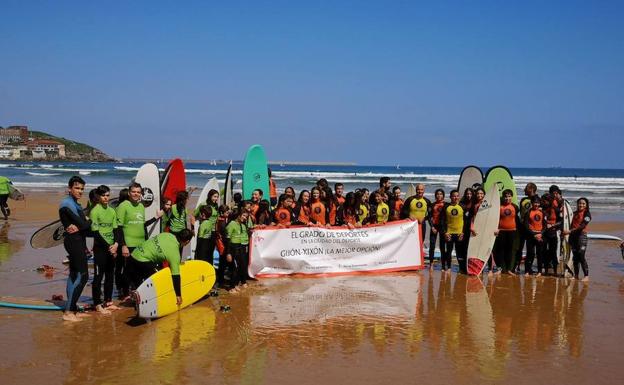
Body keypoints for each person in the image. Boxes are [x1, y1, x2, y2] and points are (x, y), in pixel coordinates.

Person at [128, 230, 193, 306]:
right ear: (187, 241)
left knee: (141, 281)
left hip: (133, 255)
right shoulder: (175, 254)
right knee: (158, 280)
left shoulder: (166, 234)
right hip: (142, 261)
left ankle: (136, 296)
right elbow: (176, 276)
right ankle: (147, 303)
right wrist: (178, 295)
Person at [59, 176, 91, 322]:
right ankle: (69, 312)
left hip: (78, 241)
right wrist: (86, 222)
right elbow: (85, 225)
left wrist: (83, 224)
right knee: (83, 275)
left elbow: (82, 226)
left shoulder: (76, 204)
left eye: (82, 189)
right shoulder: (66, 204)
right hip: (73, 241)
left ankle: (72, 308)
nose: (80, 191)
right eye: (77, 188)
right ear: (70, 188)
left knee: (73, 274)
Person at [89, 185, 120, 314]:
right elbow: (96, 234)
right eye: (103, 196)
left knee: (109, 276)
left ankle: (108, 301)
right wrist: (109, 247)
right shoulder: (95, 211)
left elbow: (116, 229)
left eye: (107, 195)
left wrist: (116, 244)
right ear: (98, 197)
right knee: (98, 277)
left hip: (112, 248)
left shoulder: (112, 211)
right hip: (100, 249)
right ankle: (97, 304)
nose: (106, 198)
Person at [115, 183, 148, 299]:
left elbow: (143, 226)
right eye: (134, 192)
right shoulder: (123, 206)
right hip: (128, 244)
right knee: (127, 271)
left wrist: (146, 243)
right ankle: (123, 293)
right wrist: (123, 245)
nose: (136, 194)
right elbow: (118, 227)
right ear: (129, 193)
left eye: (138, 192)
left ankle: (134, 292)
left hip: (141, 244)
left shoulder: (141, 206)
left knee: (138, 270)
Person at [564, 198, 592, 281]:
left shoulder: (587, 214)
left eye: (583, 203)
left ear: (586, 205)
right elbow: (567, 222)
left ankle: (586, 276)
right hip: (573, 237)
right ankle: (576, 275)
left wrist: (569, 231)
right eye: (580, 203)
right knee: (575, 257)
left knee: (581, 256)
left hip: (581, 236)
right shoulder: (574, 213)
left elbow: (582, 226)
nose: (581, 205)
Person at [494, 189, 520, 275]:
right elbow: (496, 219)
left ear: (511, 197)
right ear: (503, 197)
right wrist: (496, 228)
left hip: (512, 231)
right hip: (501, 231)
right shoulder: (499, 207)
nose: (507, 198)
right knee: (500, 250)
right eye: (505, 196)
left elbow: (517, 219)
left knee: (509, 250)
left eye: (509, 196)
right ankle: (501, 268)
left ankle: (509, 269)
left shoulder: (515, 207)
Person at [225, 208, 251, 292]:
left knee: (239, 267)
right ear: (238, 215)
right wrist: (228, 253)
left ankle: (235, 284)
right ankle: (231, 287)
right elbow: (227, 240)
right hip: (232, 248)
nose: (245, 218)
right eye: (243, 216)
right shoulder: (232, 224)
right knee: (234, 268)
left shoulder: (240, 224)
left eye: (246, 216)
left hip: (239, 248)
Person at [516, 183, 538, 272]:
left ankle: (528, 268)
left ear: (531, 189)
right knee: (519, 248)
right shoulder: (523, 200)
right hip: (521, 227)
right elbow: (521, 213)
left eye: (526, 188)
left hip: (531, 228)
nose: (524, 189)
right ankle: (516, 266)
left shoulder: (537, 200)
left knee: (531, 250)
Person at [440, 190, 464, 273]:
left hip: (459, 234)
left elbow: (466, 221)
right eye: (453, 196)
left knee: (459, 252)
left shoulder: (462, 206)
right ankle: (449, 267)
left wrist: (463, 232)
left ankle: (461, 268)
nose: (455, 197)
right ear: (450, 197)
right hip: (449, 233)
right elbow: (442, 221)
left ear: (459, 197)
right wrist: (445, 232)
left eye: (457, 196)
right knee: (449, 251)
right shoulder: (446, 207)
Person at [523, 196, 545, 276]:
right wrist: (534, 234)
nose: (536, 204)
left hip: (540, 235)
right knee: (530, 254)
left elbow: (545, 225)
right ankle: (527, 271)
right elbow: (526, 226)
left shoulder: (542, 213)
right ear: (532, 203)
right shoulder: (528, 213)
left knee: (539, 254)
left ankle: (539, 271)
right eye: (535, 202)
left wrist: (541, 234)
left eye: (538, 203)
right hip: (531, 236)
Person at [541, 193, 561, 275]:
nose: (543, 202)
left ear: (549, 201)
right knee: (544, 252)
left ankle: (555, 271)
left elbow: (561, 221)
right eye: (543, 201)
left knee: (553, 252)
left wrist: (553, 225)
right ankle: (545, 270)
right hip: (544, 233)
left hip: (553, 233)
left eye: (545, 201)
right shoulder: (541, 209)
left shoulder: (556, 209)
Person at [429, 189, 446, 269]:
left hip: (443, 227)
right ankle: (431, 263)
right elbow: (429, 217)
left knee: (442, 246)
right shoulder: (432, 205)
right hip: (434, 226)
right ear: (435, 195)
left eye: (441, 194)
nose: (439, 195)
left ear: (443, 195)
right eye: (437, 194)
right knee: (432, 245)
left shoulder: (446, 205)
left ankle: (443, 265)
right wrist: (432, 226)